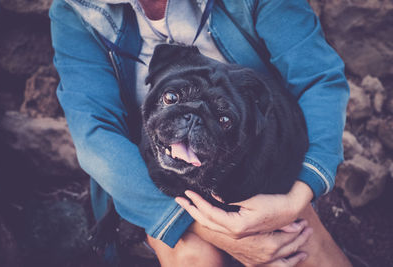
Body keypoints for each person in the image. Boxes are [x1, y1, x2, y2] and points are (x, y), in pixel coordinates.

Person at [49, 0, 352, 266]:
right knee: (192, 255)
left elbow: (319, 78)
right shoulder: (75, 10)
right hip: (146, 181)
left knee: (300, 245)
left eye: (218, 117)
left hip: (258, 165)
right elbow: (95, 132)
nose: (192, 118)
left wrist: (297, 196)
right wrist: (204, 227)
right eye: (173, 99)